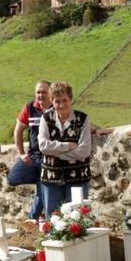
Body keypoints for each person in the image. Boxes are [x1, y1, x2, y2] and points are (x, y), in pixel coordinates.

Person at [37, 81, 92, 217]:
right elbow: (43, 146)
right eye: (57, 101)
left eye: (64, 100)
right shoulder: (45, 119)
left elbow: (84, 151)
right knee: (54, 219)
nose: (61, 105)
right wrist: (67, 146)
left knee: (79, 217)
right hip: (51, 177)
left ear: (71, 99)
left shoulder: (82, 119)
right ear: (52, 101)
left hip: (78, 177)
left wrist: (58, 154)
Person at [7, 80, 51, 220]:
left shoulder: (56, 107)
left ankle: (31, 222)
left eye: (44, 92)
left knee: (41, 193)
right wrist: (21, 153)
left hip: (49, 157)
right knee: (12, 179)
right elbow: (18, 131)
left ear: (50, 93)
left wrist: (94, 129)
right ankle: (41, 181)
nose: (40, 95)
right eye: (38, 92)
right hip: (33, 156)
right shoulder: (29, 107)